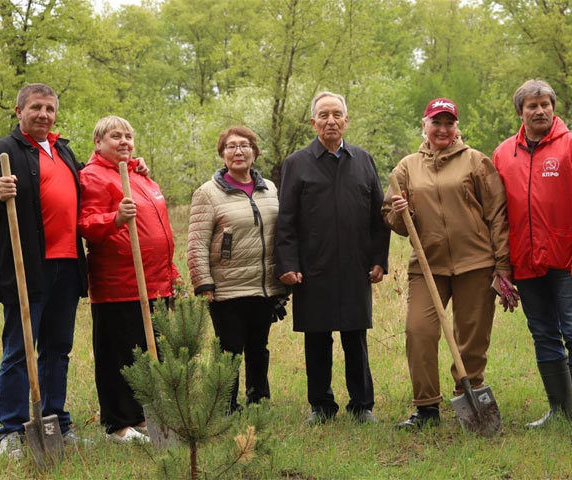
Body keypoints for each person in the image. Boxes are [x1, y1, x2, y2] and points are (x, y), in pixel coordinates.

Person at [0, 83, 89, 458]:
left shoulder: (64, 151)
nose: (43, 114)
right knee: (20, 350)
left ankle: (56, 422)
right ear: (19, 111)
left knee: (58, 348)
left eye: (50, 108)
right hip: (27, 268)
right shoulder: (1, 150)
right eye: (36, 107)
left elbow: (95, 182)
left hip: (68, 264)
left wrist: (133, 166)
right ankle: (11, 429)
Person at [381, 98, 513, 429]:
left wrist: (502, 264)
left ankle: (468, 395)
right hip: (427, 265)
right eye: (435, 122)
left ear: (457, 127)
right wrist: (399, 210)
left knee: (472, 337)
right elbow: (394, 223)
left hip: (476, 263)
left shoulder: (476, 162)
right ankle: (426, 408)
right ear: (424, 125)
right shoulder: (406, 167)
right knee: (419, 331)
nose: (442, 129)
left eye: (448, 123)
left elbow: (497, 214)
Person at [493, 79, 572, 439]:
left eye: (545, 104)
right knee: (542, 334)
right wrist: (501, 266)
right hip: (525, 263)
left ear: (553, 107)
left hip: (567, 260)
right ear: (520, 112)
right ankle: (559, 409)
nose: (540, 110)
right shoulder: (502, 154)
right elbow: (496, 213)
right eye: (532, 105)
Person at [275, 92, 390, 424]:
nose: (330, 121)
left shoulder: (364, 160)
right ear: (313, 122)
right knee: (317, 337)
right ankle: (321, 406)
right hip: (313, 268)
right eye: (323, 115)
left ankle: (362, 405)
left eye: (337, 114)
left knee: (355, 336)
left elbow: (378, 217)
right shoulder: (296, 164)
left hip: (355, 266)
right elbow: (287, 221)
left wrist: (379, 259)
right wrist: (289, 265)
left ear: (346, 121)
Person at [77, 116, 180, 443]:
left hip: (155, 281)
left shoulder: (140, 176)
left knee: (148, 353)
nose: (124, 142)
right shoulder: (92, 177)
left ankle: (141, 417)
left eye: (128, 137)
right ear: (98, 143)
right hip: (119, 283)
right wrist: (115, 217)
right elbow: (85, 223)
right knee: (119, 355)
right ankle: (118, 424)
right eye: (115, 136)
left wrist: (171, 273)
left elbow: (159, 230)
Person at [187, 126, 286, 413]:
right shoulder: (208, 193)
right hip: (226, 287)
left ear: (255, 153)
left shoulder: (270, 188)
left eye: (244, 145)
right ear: (222, 154)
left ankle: (258, 402)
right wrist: (203, 283)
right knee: (229, 350)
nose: (238, 151)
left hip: (263, 284)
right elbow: (195, 243)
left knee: (259, 348)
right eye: (230, 147)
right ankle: (225, 405)